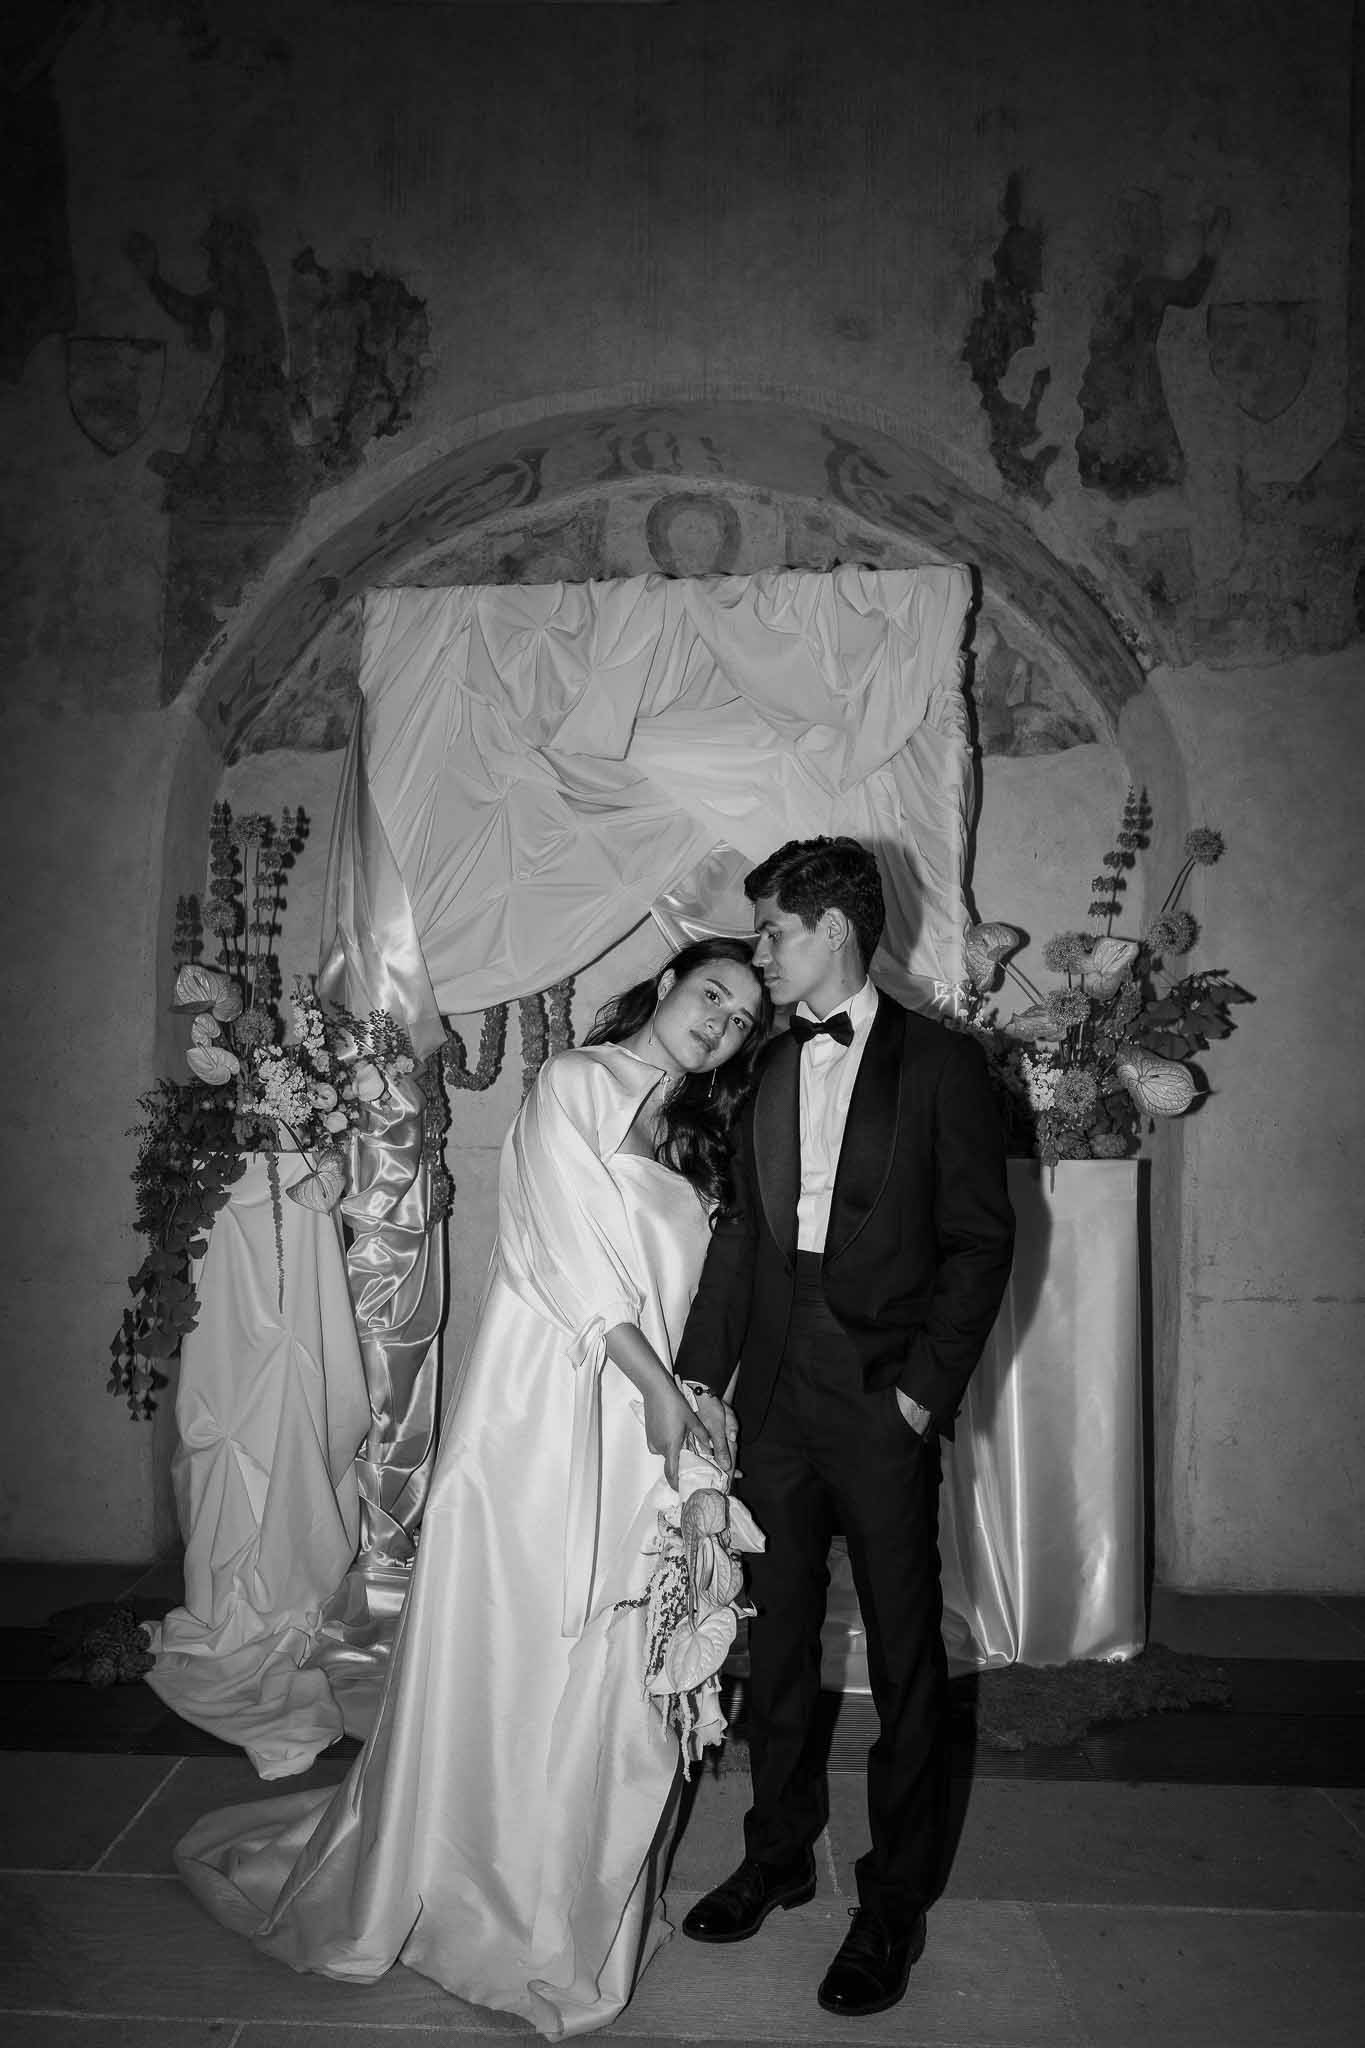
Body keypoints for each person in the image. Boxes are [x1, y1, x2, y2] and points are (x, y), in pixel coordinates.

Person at [174, 937, 771, 2041]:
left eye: (743, 1019)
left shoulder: (693, 1132)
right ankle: (477, 1891)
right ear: (668, 987)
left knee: (612, 1649)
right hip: (550, 1410)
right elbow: (565, 1256)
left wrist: (691, 1404)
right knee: (526, 1631)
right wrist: (655, 1392)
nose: (723, 1023)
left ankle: (572, 1897)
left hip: (650, 1409)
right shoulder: (574, 1082)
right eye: (712, 996)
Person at [676, 838, 1014, 2019]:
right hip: (768, 1390)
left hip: (881, 1392)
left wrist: (922, 1390)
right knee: (770, 1645)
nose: (757, 948)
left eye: (772, 928)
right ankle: (776, 1853)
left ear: (832, 928)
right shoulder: (766, 1061)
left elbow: (982, 1241)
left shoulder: (941, 1064)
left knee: (907, 1652)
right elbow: (738, 1240)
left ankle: (892, 1901)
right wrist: (696, 1385)